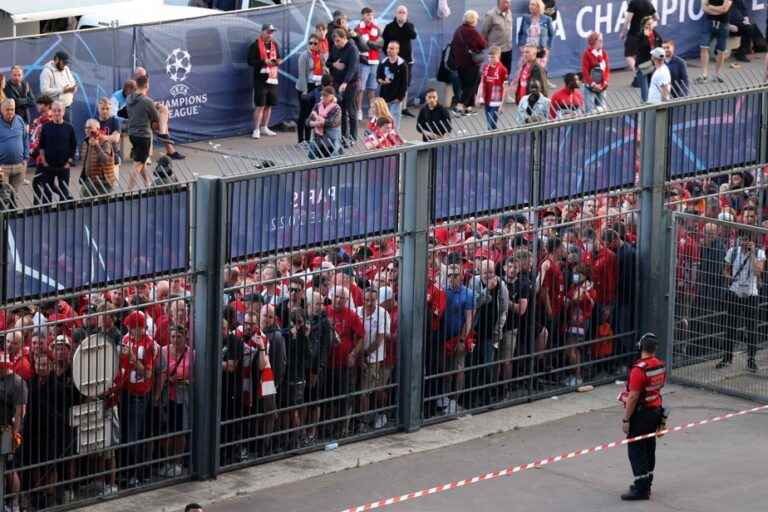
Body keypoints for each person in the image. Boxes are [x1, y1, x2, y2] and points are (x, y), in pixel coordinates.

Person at [619, 333, 666, 501]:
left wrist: (626, 419)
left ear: (641, 348)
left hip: (641, 414)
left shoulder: (639, 370)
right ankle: (647, 482)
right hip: (655, 411)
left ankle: (641, 488)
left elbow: (633, 397)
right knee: (649, 446)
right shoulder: (660, 366)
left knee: (636, 450)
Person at [717, 230, 765, 372]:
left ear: (753, 240)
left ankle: (751, 359)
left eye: (748, 240)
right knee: (730, 326)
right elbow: (725, 270)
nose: (745, 243)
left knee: (751, 328)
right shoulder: (733, 252)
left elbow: (758, 271)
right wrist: (729, 277)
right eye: (743, 239)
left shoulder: (759, 253)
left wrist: (751, 255)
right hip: (735, 292)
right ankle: (727, 357)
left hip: (751, 294)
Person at [0, 351, 26, 512]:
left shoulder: (17, 383)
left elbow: (20, 412)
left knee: (9, 469)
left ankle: (15, 503)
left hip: (7, 431)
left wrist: (15, 434)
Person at [36, 101, 76, 204]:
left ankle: (64, 213)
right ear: (51, 112)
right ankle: (46, 214)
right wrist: (44, 162)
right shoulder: (45, 127)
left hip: (64, 167)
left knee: (64, 194)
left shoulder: (69, 128)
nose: (57, 113)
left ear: (63, 112)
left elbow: (73, 147)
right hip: (48, 166)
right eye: (54, 110)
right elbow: (41, 146)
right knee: (46, 194)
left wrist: (69, 162)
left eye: (59, 110)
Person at [248, 24, 283, 139]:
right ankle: (256, 129)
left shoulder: (275, 45)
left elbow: (279, 57)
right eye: (268, 32)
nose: (270, 34)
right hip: (260, 79)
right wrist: (264, 62)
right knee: (260, 105)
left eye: (272, 32)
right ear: (262, 32)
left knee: (269, 104)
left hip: (272, 78)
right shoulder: (255, 45)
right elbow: (250, 61)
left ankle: (264, 127)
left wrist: (278, 61)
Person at [382, 5, 417, 117]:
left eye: (403, 12)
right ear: (396, 14)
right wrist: (387, 55)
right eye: (399, 12)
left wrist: (405, 23)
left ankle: (403, 108)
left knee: (405, 83)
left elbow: (413, 36)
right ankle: (389, 107)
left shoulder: (409, 25)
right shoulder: (389, 26)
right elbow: (385, 42)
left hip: (406, 60)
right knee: (391, 81)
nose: (401, 14)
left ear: (406, 14)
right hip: (393, 59)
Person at [125, 75, 159, 189]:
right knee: (138, 165)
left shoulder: (129, 98)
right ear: (147, 85)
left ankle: (147, 185)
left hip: (132, 134)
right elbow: (156, 119)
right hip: (143, 136)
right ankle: (128, 191)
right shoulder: (147, 101)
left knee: (141, 161)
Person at [450, 10, 487, 116]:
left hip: (459, 63)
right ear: (473, 20)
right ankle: (460, 106)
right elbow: (483, 44)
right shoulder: (472, 31)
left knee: (466, 84)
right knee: (471, 85)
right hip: (471, 63)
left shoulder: (458, 30)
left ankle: (468, 108)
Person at [329, 29, 360, 141]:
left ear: (344, 38)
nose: (336, 44)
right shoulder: (334, 47)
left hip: (351, 84)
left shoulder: (353, 49)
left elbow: (353, 68)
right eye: (335, 41)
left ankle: (353, 137)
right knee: (340, 111)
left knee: (351, 111)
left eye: (338, 41)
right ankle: (343, 136)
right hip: (337, 83)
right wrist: (334, 64)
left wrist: (345, 82)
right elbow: (328, 62)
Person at [296, 35, 326, 143]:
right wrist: (304, 91)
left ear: (319, 45)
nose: (312, 45)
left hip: (316, 86)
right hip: (305, 86)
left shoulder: (321, 56)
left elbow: (324, 70)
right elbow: (302, 74)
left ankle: (308, 139)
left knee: (312, 113)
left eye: (315, 43)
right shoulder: (304, 56)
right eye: (310, 43)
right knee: (304, 113)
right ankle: (301, 139)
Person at [356, 7, 384, 121]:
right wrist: (372, 44)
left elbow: (380, 45)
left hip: (375, 62)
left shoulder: (377, 29)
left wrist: (368, 44)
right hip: (363, 62)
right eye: (367, 14)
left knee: (372, 88)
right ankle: (359, 110)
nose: (370, 16)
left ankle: (372, 111)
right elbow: (361, 46)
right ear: (363, 15)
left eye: (371, 14)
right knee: (360, 88)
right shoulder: (358, 29)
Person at [697, 0, 733, 84]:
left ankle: (717, 74)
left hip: (723, 24)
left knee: (721, 50)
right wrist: (717, 10)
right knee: (704, 47)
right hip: (708, 23)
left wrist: (711, 7)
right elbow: (704, 8)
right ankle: (704, 74)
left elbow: (724, 9)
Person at [80, 118, 118, 197]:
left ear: (97, 129)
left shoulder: (104, 142)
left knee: (104, 207)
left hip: (103, 183)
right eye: (86, 128)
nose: (87, 130)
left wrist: (97, 146)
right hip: (89, 181)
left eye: (90, 128)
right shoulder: (85, 142)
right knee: (83, 205)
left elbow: (105, 160)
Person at [620, 0, 657, 79]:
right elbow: (657, 17)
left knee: (628, 55)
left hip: (634, 33)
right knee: (643, 55)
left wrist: (623, 32)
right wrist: (650, 27)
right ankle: (646, 76)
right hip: (646, 35)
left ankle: (639, 75)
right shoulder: (648, 3)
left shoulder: (633, 3)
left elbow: (628, 20)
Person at [377, 41, 409, 130]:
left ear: (397, 50)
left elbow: (405, 83)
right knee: (384, 122)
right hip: (384, 98)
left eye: (392, 48)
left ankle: (395, 141)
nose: (389, 50)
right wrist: (382, 81)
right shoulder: (383, 62)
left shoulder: (402, 64)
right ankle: (385, 140)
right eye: (388, 48)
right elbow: (378, 77)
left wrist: (400, 97)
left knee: (394, 122)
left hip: (396, 98)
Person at [0, 99, 29, 196]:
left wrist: (26, 158)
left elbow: (25, 139)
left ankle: (14, 211)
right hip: (3, 168)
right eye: (7, 109)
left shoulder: (19, 120)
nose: (10, 112)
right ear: (1, 110)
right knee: (4, 197)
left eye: (12, 109)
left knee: (14, 196)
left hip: (19, 166)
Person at [39, 51, 77, 122]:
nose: (65, 65)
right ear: (56, 60)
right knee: (55, 131)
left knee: (66, 131)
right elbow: (44, 91)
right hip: (54, 110)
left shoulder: (66, 69)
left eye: (66, 63)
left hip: (67, 107)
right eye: (63, 63)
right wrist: (62, 90)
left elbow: (72, 82)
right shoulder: (47, 72)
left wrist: (73, 88)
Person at [476, 46, 509, 129]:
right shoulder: (485, 67)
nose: (491, 59)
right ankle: (495, 139)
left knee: (491, 125)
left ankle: (493, 140)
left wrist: (503, 104)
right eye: (489, 57)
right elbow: (481, 83)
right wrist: (478, 97)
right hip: (487, 99)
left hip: (496, 101)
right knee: (490, 125)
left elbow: (505, 88)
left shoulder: (503, 69)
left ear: (499, 56)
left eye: (493, 57)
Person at [517, 0, 555, 69]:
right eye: (530, 5)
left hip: (540, 49)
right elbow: (520, 33)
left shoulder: (547, 19)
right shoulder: (525, 18)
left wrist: (548, 47)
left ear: (538, 7)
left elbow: (551, 35)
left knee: (539, 70)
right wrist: (520, 45)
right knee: (525, 70)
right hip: (527, 49)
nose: (530, 6)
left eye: (533, 5)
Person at [307, 86, 342, 159]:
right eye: (323, 95)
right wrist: (313, 123)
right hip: (318, 140)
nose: (323, 97)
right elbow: (308, 122)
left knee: (331, 162)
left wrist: (317, 119)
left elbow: (332, 122)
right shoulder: (317, 106)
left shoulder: (336, 108)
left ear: (331, 96)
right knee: (317, 162)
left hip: (331, 141)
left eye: (325, 96)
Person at [481, 0, 514, 76]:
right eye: (506, 2)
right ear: (500, 2)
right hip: (496, 51)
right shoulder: (490, 15)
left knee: (506, 73)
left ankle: (504, 87)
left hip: (508, 49)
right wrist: (488, 47)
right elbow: (484, 32)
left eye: (509, 2)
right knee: (494, 74)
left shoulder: (509, 12)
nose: (508, 4)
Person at [635, 17, 663, 102]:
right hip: (644, 65)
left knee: (653, 89)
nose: (650, 26)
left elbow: (660, 44)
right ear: (643, 25)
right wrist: (644, 36)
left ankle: (653, 108)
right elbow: (641, 48)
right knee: (645, 93)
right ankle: (645, 110)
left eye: (651, 24)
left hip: (653, 64)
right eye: (648, 24)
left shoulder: (655, 34)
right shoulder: (640, 35)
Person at [581, 31, 609, 113]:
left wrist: (605, 82)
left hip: (601, 85)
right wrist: (593, 84)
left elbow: (606, 70)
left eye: (602, 40)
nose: (602, 42)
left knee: (602, 109)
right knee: (589, 111)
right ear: (593, 42)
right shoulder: (587, 54)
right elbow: (585, 71)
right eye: (599, 41)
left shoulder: (604, 53)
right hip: (590, 86)